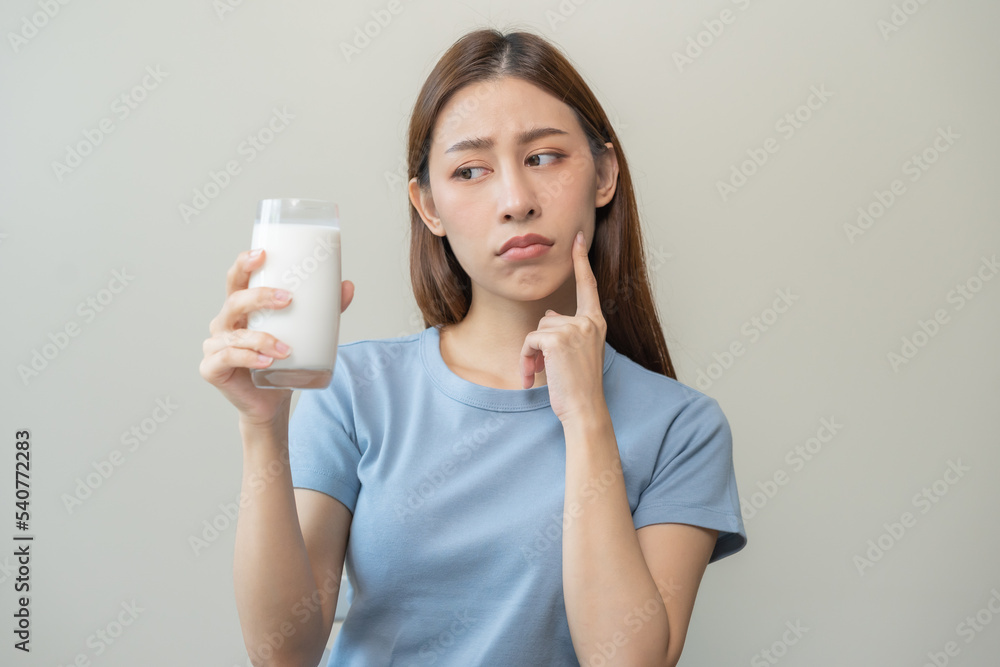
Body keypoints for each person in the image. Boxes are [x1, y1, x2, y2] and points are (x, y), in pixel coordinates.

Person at [201, 27, 747, 667]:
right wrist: (262, 427)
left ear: (603, 174)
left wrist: (586, 415)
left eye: (544, 157)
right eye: (470, 170)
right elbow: (282, 653)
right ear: (428, 206)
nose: (516, 201)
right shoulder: (353, 389)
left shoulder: (682, 428)